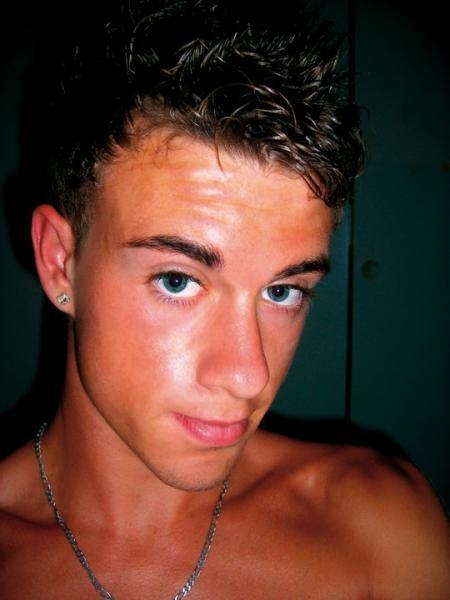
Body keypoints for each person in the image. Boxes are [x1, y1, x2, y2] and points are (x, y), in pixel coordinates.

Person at [0, 0, 448, 597]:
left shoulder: (381, 529)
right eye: (178, 280)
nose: (247, 374)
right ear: (61, 260)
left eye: (283, 291)